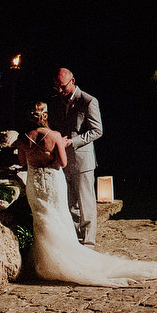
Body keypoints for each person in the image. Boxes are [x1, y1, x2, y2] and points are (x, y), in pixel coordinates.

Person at [17, 102, 157, 286]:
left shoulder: (22, 138)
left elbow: (22, 161)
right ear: (46, 116)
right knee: (59, 216)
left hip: (35, 184)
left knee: (42, 218)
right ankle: (64, 256)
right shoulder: (54, 136)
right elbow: (63, 163)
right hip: (52, 181)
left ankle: (45, 261)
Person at [49, 68, 103, 246]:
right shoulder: (56, 101)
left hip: (82, 159)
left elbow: (97, 131)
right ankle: (75, 240)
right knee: (70, 202)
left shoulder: (88, 101)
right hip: (63, 159)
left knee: (85, 203)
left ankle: (88, 243)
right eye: (56, 86)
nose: (59, 89)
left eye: (62, 86)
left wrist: (73, 141)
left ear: (72, 80)